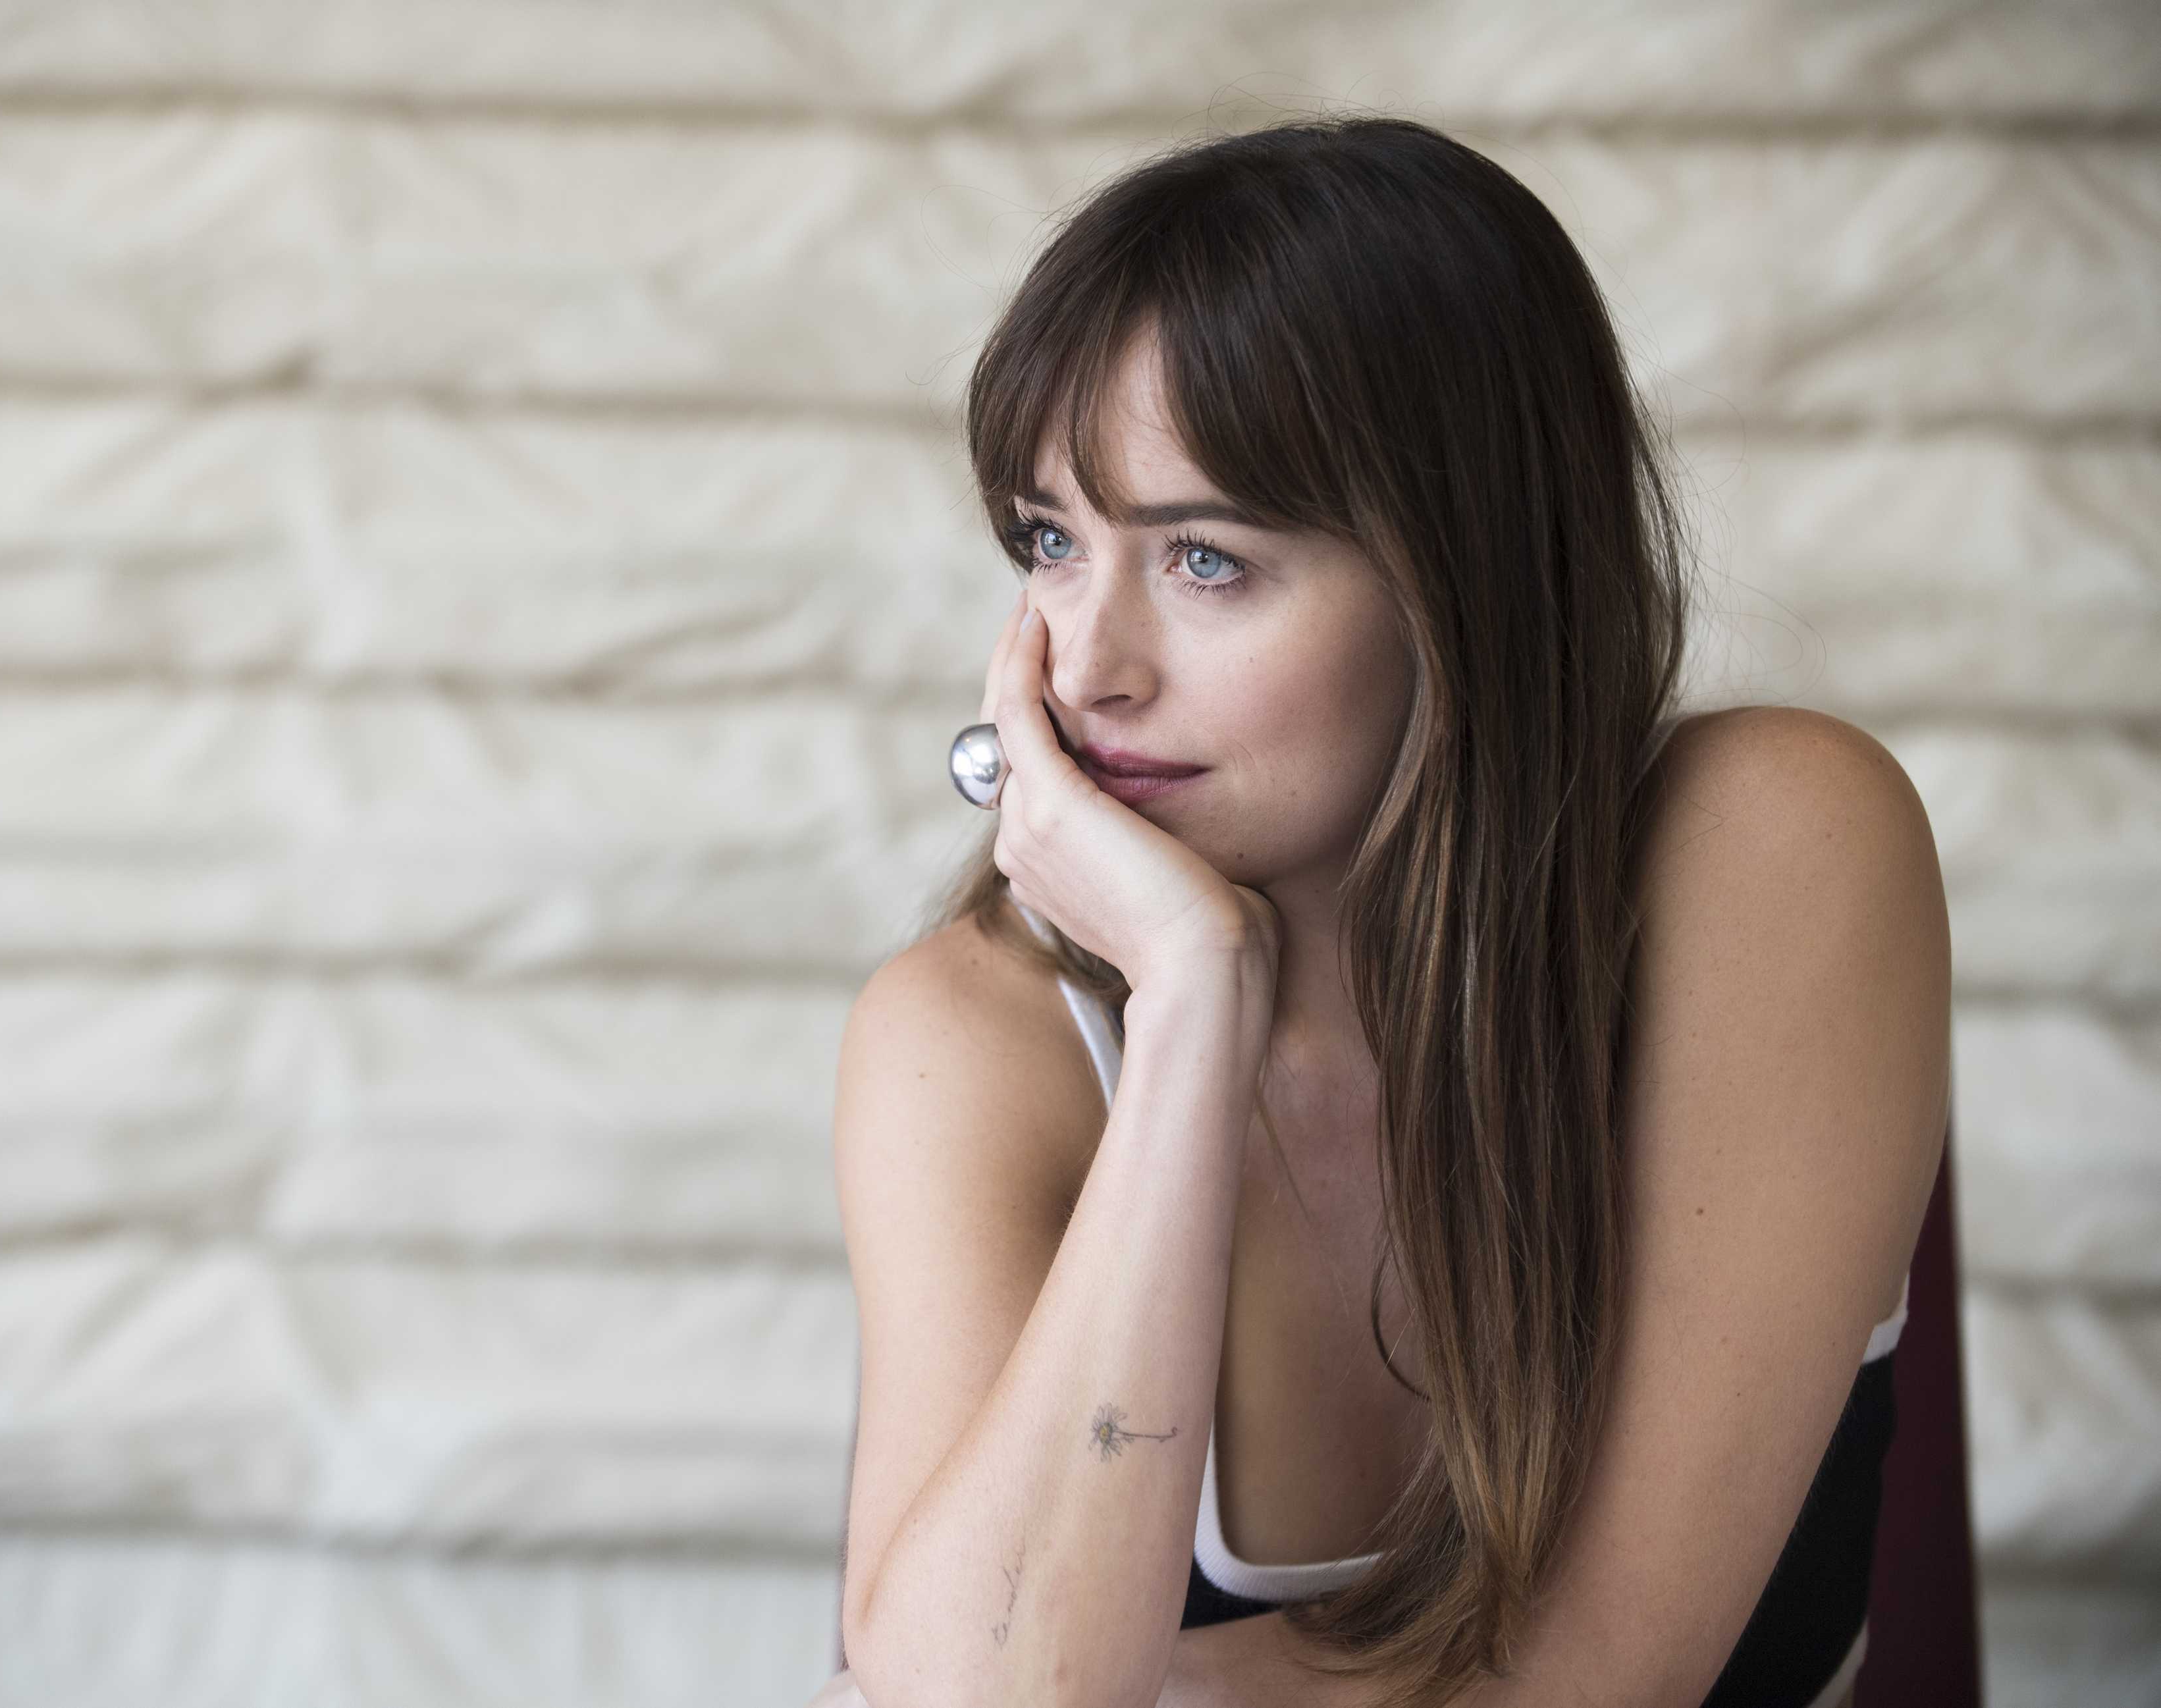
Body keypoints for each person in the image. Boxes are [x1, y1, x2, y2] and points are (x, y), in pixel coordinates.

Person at [811, 116, 1951, 1708]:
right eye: (1052, 542)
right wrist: (1194, 997)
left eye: (1206, 561)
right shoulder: (971, 1036)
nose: (1087, 666)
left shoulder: (1774, 840)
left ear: (1461, 578)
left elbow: (1598, 1675)